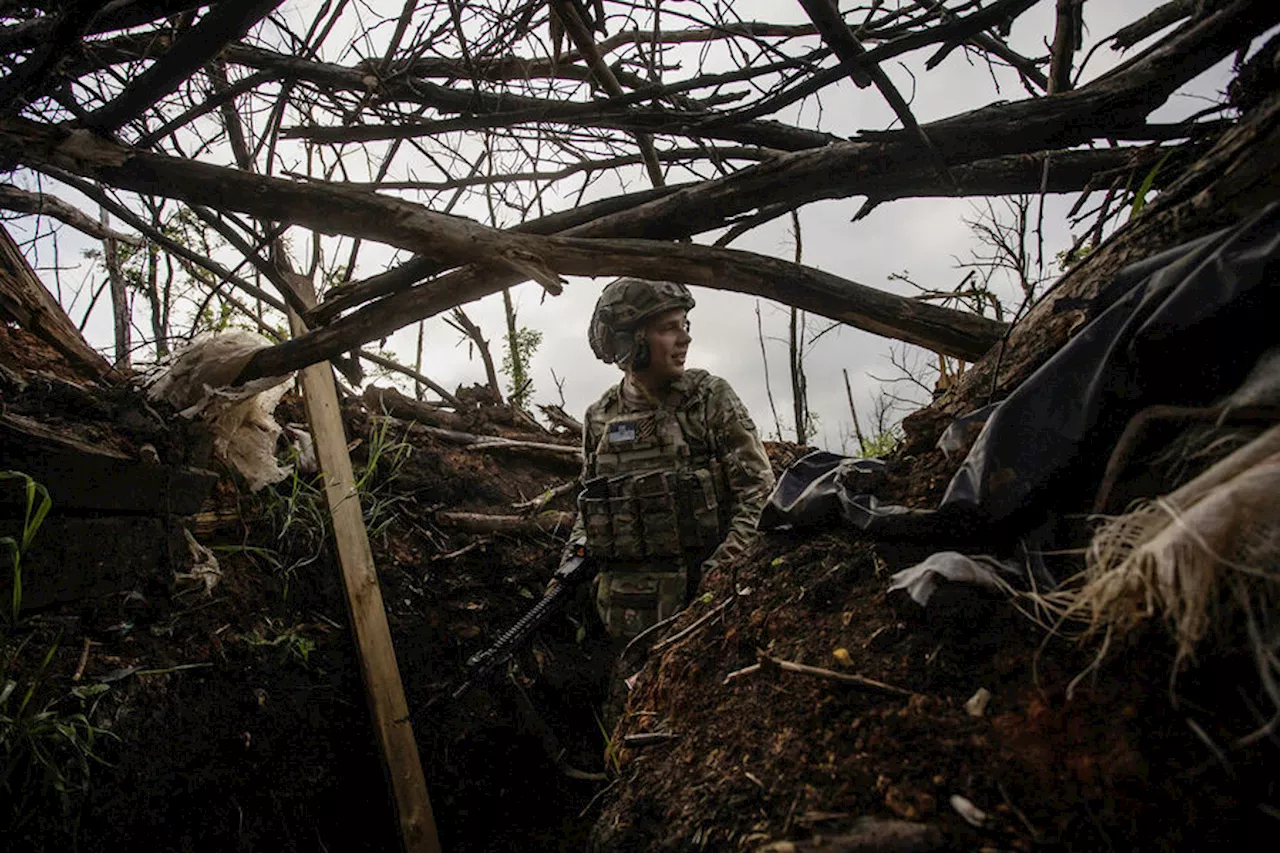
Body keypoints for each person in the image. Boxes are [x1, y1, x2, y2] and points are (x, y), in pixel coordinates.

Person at [562, 277, 776, 639]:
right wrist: (569, 564)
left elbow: (757, 492)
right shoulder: (600, 416)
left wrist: (721, 573)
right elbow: (589, 507)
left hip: (703, 608)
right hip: (619, 608)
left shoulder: (708, 399)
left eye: (685, 326)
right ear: (632, 342)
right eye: (669, 328)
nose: (685, 339)